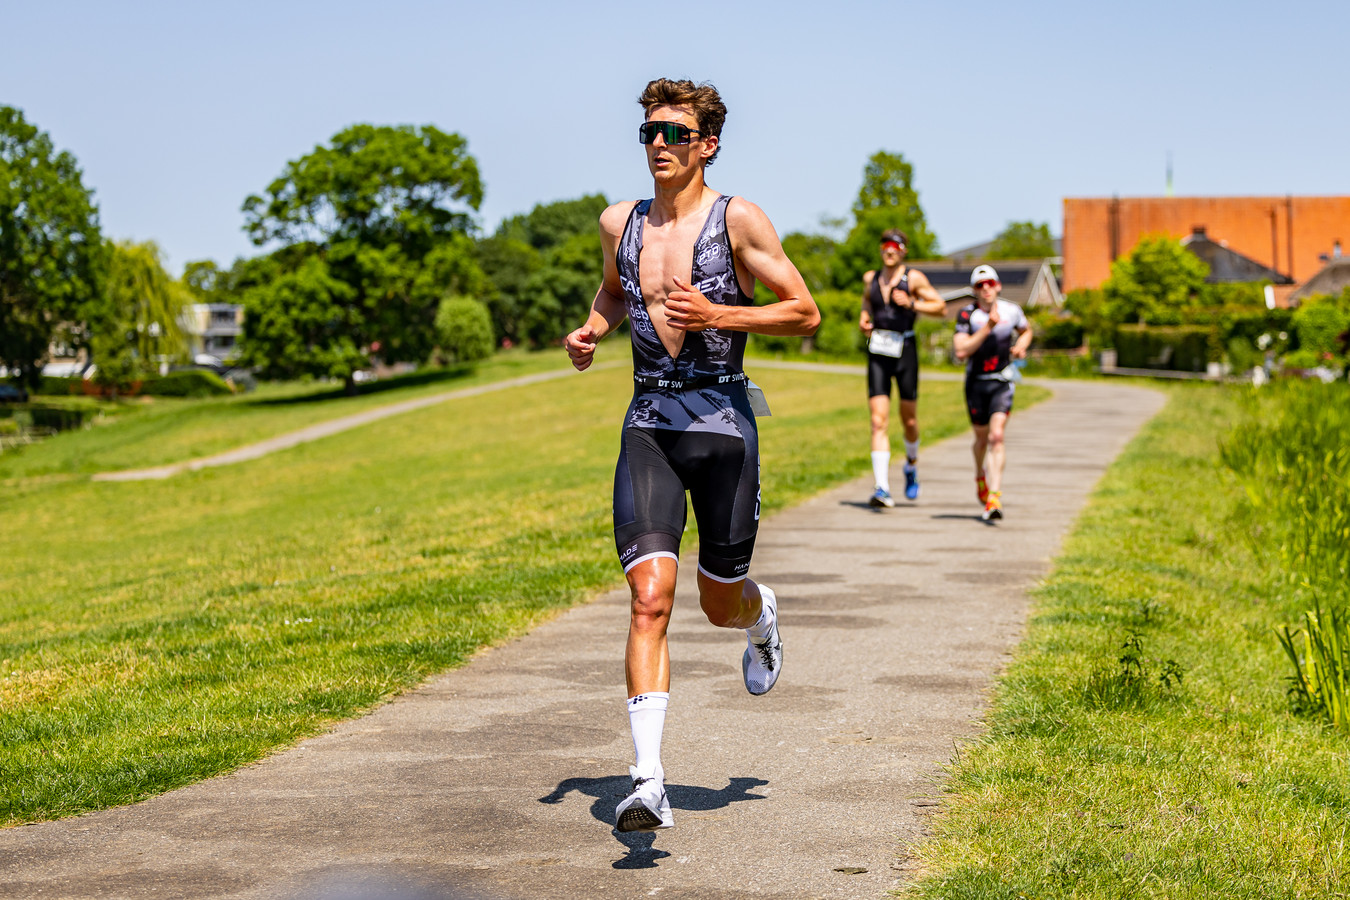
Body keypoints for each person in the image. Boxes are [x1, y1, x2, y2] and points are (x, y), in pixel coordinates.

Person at [564, 78, 819, 834]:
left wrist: (720, 313)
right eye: (648, 134)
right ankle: (647, 781)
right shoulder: (621, 222)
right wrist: (591, 328)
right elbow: (615, 291)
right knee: (649, 598)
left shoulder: (738, 220)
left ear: (707, 143)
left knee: (717, 603)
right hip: (648, 420)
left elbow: (804, 312)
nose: (660, 146)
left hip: (721, 421)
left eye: (675, 133)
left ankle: (759, 612)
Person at [859, 230, 946, 507]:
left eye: (896, 246)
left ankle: (910, 465)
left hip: (905, 351)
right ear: (880, 249)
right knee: (877, 421)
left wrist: (912, 303)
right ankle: (882, 487)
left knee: (909, 420)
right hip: (878, 351)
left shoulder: (914, 278)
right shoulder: (870, 278)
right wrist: (864, 319)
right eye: (886, 244)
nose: (890, 250)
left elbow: (941, 307)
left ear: (904, 251)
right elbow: (866, 302)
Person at [952, 265, 1033, 521]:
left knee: (997, 437)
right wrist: (987, 327)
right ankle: (980, 475)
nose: (986, 288)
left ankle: (994, 498)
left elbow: (1026, 330)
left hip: (1002, 381)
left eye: (989, 283)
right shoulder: (968, 314)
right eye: (980, 285)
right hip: (976, 383)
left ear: (998, 285)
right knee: (981, 439)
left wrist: (1020, 345)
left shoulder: (1012, 310)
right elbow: (961, 351)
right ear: (974, 291)